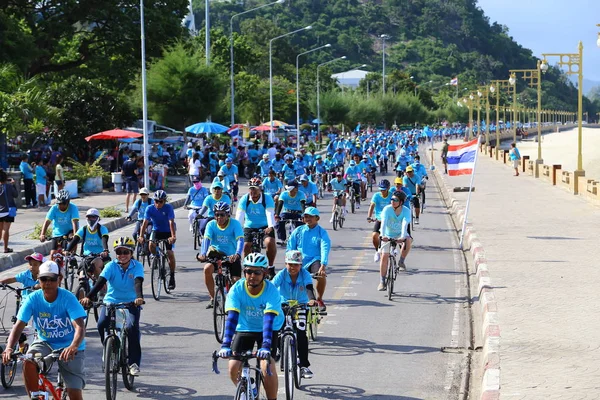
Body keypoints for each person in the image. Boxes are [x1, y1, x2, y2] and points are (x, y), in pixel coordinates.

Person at [2, 261, 86, 400]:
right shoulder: (33, 299)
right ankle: (34, 397)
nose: (48, 283)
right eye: (44, 279)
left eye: (52, 279)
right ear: (38, 279)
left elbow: (79, 327)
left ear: (59, 279)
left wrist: (73, 346)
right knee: (28, 360)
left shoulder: (68, 298)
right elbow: (19, 325)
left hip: (70, 346)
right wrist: (9, 348)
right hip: (45, 343)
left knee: (74, 394)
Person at [219, 253, 283, 400]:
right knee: (233, 368)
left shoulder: (271, 290)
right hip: (245, 327)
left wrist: (266, 346)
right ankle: (250, 387)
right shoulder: (237, 289)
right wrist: (225, 344)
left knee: (267, 367)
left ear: (265, 273)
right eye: (248, 271)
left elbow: (268, 320)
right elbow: (232, 318)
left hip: (268, 328)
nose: (252, 275)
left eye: (257, 272)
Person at [80, 237, 144, 376]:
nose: (122, 255)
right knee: (102, 324)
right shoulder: (110, 266)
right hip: (111, 301)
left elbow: (138, 282)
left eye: (125, 252)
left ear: (131, 253)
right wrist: (88, 297)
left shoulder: (137, 266)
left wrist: (139, 298)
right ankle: (109, 349)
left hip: (131, 302)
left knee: (131, 328)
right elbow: (100, 282)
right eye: (119, 252)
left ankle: (133, 363)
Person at [271, 250, 316, 379]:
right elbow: (273, 286)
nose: (293, 267)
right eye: (290, 264)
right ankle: (279, 349)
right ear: (285, 264)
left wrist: (311, 299)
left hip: (300, 305)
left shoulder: (305, 274)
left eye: (296, 264)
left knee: (301, 332)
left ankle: (303, 366)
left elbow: (309, 288)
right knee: (278, 328)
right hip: (283, 305)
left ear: (301, 265)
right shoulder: (282, 274)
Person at [197, 202, 243, 309]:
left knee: (236, 281)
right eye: (217, 214)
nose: (219, 217)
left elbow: (240, 240)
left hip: (231, 256)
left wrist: (237, 254)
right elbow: (206, 239)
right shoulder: (211, 225)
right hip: (216, 255)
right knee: (207, 269)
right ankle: (213, 299)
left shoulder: (235, 224)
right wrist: (203, 254)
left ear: (228, 215)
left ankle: (235, 301)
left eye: (222, 215)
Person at [286, 207, 330, 313]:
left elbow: (325, 248)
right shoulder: (298, 230)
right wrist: (289, 261)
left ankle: (319, 299)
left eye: (311, 216)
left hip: (314, 260)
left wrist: (323, 265)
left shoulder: (322, 232)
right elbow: (290, 247)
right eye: (306, 216)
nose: (308, 218)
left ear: (317, 218)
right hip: (298, 260)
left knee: (321, 275)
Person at [235, 177, 277, 277]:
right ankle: (247, 267)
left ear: (260, 189)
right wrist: (237, 229)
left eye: (255, 188)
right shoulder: (245, 199)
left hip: (265, 226)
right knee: (246, 246)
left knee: (270, 242)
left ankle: (270, 267)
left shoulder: (267, 198)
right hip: (249, 226)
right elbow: (239, 215)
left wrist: (270, 226)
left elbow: (269, 213)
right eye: (251, 188)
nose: (253, 191)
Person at [138, 190, 177, 290]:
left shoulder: (168, 208)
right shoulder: (149, 208)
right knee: (151, 245)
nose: (158, 204)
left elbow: (171, 222)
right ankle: (157, 256)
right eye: (156, 201)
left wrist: (173, 236)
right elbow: (144, 223)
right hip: (157, 230)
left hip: (168, 231)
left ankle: (172, 276)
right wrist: (141, 236)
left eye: (160, 201)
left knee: (169, 253)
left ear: (164, 201)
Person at [378, 191, 412, 291]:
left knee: (408, 240)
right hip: (387, 234)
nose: (393, 201)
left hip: (399, 234)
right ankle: (382, 281)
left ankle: (401, 261)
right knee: (384, 257)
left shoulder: (406, 211)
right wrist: (382, 235)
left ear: (401, 202)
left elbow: (405, 224)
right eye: (392, 199)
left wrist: (402, 237)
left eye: (395, 200)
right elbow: (383, 223)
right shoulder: (387, 209)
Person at [66, 208, 110, 278]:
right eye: (89, 217)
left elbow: (105, 239)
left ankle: (101, 286)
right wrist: (67, 250)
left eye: (93, 217)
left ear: (98, 218)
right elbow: (75, 240)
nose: (91, 219)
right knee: (81, 273)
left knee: (95, 265)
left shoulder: (102, 229)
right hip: (86, 256)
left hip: (100, 256)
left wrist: (105, 250)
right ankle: (82, 286)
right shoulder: (83, 229)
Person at [40, 189, 79, 256]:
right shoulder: (54, 208)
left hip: (69, 231)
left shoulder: (73, 208)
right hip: (57, 233)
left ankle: (72, 256)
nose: (61, 206)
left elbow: (74, 222)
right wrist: (42, 234)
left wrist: (75, 236)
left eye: (64, 203)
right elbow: (47, 221)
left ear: (68, 202)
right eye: (59, 203)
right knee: (52, 254)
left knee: (72, 242)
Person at [367, 179, 392, 263]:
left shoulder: (392, 196)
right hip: (379, 219)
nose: (382, 191)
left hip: (389, 219)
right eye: (381, 189)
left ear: (388, 188)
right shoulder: (376, 196)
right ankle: (377, 251)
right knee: (374, 236)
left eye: (384, 189)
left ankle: (393, 249)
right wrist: (369, 217)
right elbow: (372, 206)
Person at [274, 180, 306, 245]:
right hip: (286, 212)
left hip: (298, 213)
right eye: (295, 187)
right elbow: (280, 205)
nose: (297, 189)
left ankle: (300, 239)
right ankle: (282, 239)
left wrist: (304, 215)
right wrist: (277, 215)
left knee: (301, 225)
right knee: (279, 223)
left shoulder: (301, 194)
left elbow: (302, 205)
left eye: (297, 187)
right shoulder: (284, 194)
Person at [0, 170, 17, 253]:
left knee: (0, 229)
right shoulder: (9, 186)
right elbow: (16, 195)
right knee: (6, 230)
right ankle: (5, 248)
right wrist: (13, 185)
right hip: (9, 210)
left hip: (0, 210)